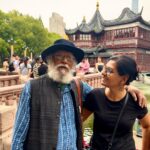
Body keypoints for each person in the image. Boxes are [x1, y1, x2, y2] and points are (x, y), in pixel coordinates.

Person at [11, 39, 146, 150]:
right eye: (59, 57)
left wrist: (127, 86)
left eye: (69, 58)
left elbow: (107, 92)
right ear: (50, 60)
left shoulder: (78, 86)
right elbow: (18, 136)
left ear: (74, 64)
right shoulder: (32, 88)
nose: (64, 61)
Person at [83, 55, 150, 150]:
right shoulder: (95, 95)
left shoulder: (136, 99)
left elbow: (147, 126)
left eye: (109, 71)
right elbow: (78, 121)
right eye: (104, 69)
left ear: (123, 79)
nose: (103, 73)